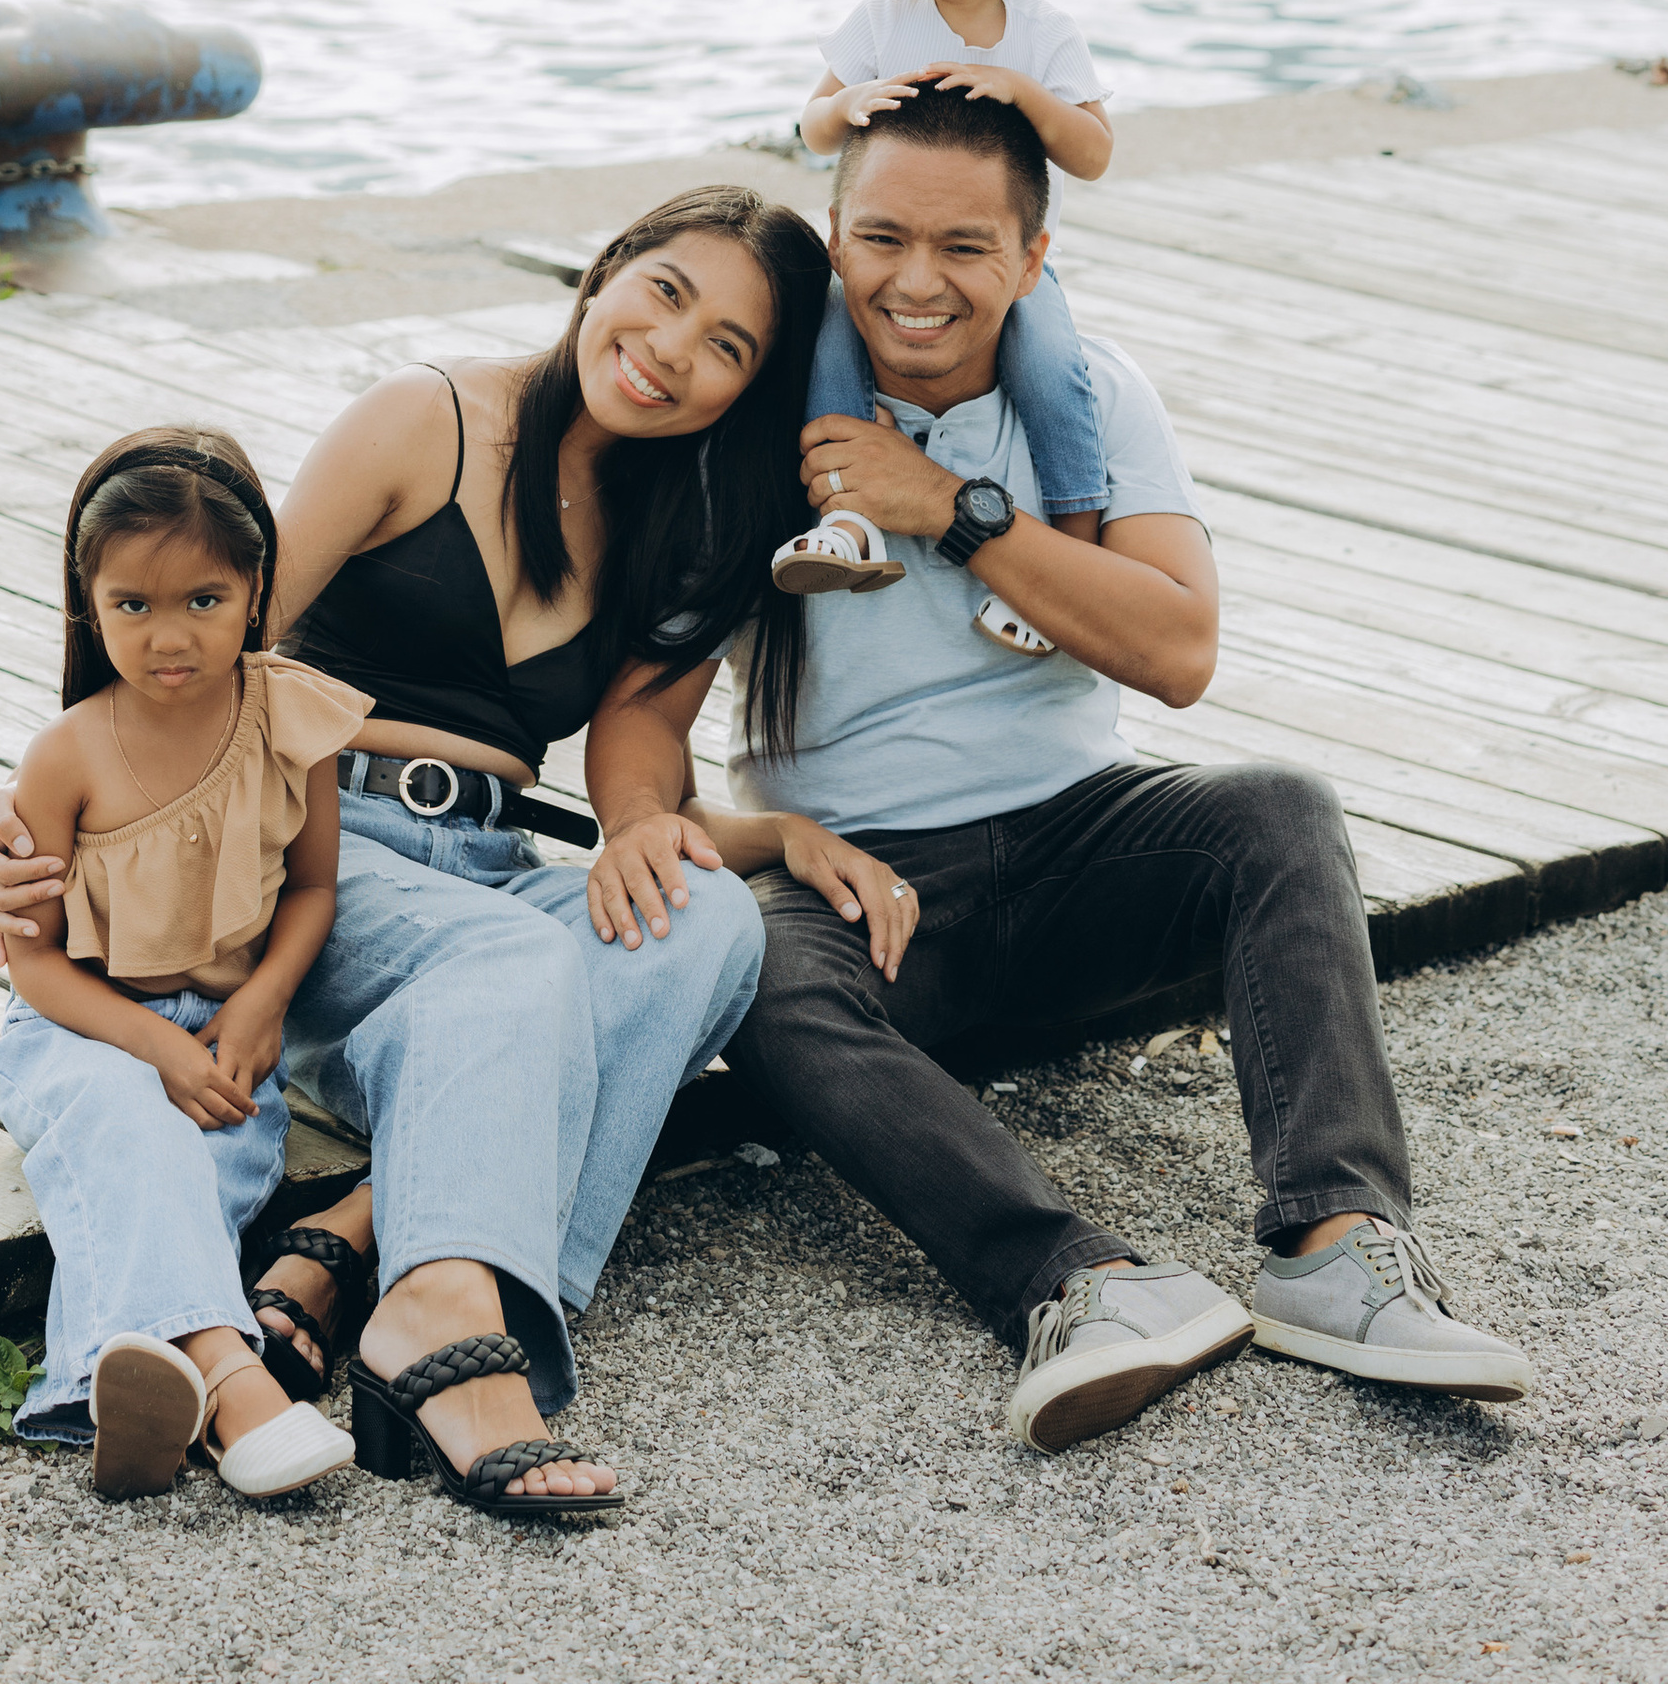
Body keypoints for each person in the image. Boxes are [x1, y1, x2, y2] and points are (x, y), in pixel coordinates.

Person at [585, 82, 1531, 1454]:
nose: (917, 283)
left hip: (1088, 844)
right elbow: (642, 712)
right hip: (876, 897)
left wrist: (952, 511)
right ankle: (1079, 1284)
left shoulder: (1090, 398)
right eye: (883, 240)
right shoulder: (771, 426)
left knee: (1280, 815)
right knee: (762, 971)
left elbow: (1180, 647)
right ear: (836, 238)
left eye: (965, 248)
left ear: (1032, 260)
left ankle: (1335, 1247)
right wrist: (637, 827)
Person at [0, 187, 853, 1521]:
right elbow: (214, 638)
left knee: (713, 924)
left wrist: (658, 830)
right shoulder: (422, 422)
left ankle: (358, 1242)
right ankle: (442, 1327)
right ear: (606, 271)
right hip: (309, 854)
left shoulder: (674, 519)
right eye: (666, 292)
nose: (675, 350)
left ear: (744, 392)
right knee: (509, 957)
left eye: (728, 346)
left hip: (485, 871)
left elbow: (634, 742)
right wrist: (67, 820)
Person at [0, 425, 363, 1501]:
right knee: (124, 1117)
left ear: (255, 591)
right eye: (130, 606)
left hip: (228, 1031)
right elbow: (36, 969)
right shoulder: (67, 755)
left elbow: (313, 888)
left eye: (203, 599)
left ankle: (121, 1387)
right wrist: (153, 1043)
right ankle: (239, 1391)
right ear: (87, 606)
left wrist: (261, 1007)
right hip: (82, 1028)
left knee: (206, 1177)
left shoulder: (293, 716)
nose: (167, 635)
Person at [776, 0, 1112, 662]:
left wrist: (1029, 98)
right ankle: (846, 522)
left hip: (1006, 275)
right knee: (828, 350)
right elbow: (810, 130)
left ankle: (1073, 552)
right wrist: (850, 102)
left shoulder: (1042, 37)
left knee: (1054, 374)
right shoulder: (882, 22)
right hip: (879, 261)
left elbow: (1095, 151)